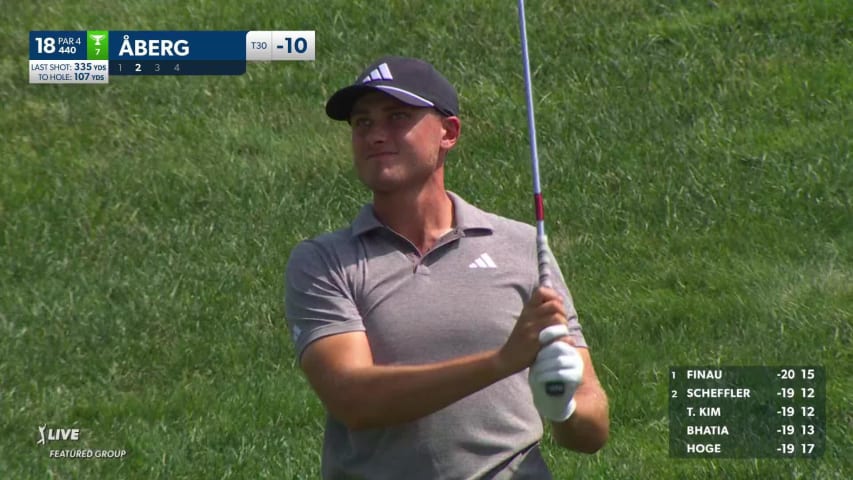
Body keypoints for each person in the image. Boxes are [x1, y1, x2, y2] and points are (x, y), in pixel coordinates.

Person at [284, 55, 609, 479]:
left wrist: (563, 407)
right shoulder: (324, 262)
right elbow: (353, 399)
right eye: (362, 123)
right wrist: (501, 362)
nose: (375, 134)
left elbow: (592, 430)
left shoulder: (522, 246)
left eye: (397, 116)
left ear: (448, 133)